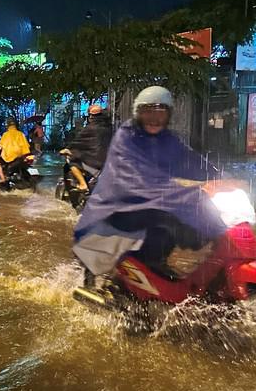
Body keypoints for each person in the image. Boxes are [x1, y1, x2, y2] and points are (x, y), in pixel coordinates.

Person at [72, 86, 226, 285]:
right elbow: (138, 182)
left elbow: (189, 160)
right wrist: (193, 192)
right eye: (148, 113)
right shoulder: (127, 137)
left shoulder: (166, 139)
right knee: (179, 214)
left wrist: (220, 177)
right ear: (138, 114)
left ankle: (160, 270)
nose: (154, 119)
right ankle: (93, 284)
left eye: (160, 114)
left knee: (195, 224)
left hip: (149, 202)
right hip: (119, 205)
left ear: (168, 115)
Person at [60, 104, 112, 191]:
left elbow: (77, 142)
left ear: (91, 117)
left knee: (72, 161)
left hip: (94, 163)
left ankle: (83, 184)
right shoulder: (109, 128)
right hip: (107, 163)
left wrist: (67, 149)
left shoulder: (89, 128)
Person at [0, 118, 31, 187]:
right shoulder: (21, 134)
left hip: (9, 158)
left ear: (7, 126)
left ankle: (2, 179)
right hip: (20, 157)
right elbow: (27, 146)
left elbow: (0, 146)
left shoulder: (5, 135)